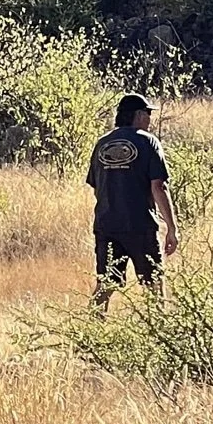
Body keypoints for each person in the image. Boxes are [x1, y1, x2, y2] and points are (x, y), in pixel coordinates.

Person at [85, 93, 179, 297]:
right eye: (147, 113)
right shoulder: (148, 142)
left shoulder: (102, 144)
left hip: (106, 225)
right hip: (140, 227)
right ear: (138, 115)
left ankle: (92, 327)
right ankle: (157, 327)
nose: (149, 118)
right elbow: (159, 187)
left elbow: (96, 186)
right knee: (153, 287)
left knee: (104, 287)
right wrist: (172, 228)